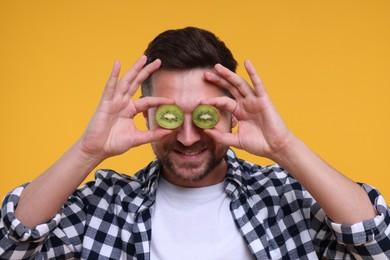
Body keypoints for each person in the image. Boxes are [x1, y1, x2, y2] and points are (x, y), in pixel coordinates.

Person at [0, 27, 389, 260]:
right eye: (170, 115)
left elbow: (375, 244)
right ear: (146, 114)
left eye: (205, 115)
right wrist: (88, 150)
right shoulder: (105, 203)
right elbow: (13, 247)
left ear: (233, 112)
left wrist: (284, 146)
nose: (187, 137)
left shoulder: (285, 196)